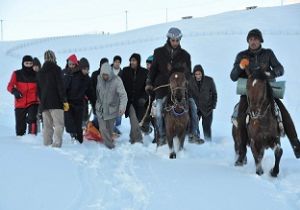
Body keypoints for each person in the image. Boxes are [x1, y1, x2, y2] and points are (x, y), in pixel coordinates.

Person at [230, 28, 300, 160]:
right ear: (248, 41)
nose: (253, 42)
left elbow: (280, 69)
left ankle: (296, 144)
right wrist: (240, 67)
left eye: (255, 39)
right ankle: (242, 151)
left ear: (260, 40)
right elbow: (233, 77)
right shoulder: (242, 56)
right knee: (240, 117)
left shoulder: (268, 54)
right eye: (250, 39)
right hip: (249, 93)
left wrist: (271, 73)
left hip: (267, 92)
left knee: (283, 112)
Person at [145, 27, 192, 145]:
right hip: (162, 87)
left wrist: (184, 79)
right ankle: (161, 136)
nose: (175, 42)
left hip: (179, 88)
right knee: (159, 108)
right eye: (173, 40)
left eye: (177, 40)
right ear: (168, 39)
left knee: (192, 107)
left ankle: (192, 134)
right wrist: (149, 83)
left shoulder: (185, 55)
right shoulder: (158, 52)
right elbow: (153, 70)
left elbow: (188, 73)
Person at [37, 50, 67, 147]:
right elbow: (60, 86)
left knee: (47, 126)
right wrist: (64, 100)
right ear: (54, 57)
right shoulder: (57, 69)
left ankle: (46, 145)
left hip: (44, 103)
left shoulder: (40, 72)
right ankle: (56, 144)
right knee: (59, 124)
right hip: (56, 102)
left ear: (45, 58)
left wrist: (41, 103)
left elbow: (38, 90)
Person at [95, 63, 127, 149]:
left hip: (112, 110)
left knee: (109, 129)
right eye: (103, 75)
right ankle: (110, 146)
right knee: (102, 129)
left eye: (106, 75)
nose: (105, 77)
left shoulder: (117, 80)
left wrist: (122, 107)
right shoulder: (99, 79)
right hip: (100, 109)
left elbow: (123, 95)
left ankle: (109, 142)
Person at [63, 57, 94, 143]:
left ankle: (80, 141)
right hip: (69, 103)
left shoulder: (87, 79)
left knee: (78, 123)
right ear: (80, 68)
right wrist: (64, 101)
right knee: (69, 123)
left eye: (87, 69)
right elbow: (64, 89)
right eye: (84, 69)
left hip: (80, 103)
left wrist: (94, 101)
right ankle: (73, 136)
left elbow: (90, 92)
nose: (86, 71)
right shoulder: (72, 76)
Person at [7, 55, 39, 136]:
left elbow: (41, 87)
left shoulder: (37, 74)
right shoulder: (16, 73)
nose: (28, 65)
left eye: (30, 63)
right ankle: (20, 141)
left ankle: (32, 136)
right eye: (26, 63)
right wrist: (15, 91)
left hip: (33, 101)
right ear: (23, 63)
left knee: (32, 119)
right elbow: (10, 86)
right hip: (20, 102)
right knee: (20, 127)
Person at [121, 53, 148, 143]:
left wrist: (144, 98)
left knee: (137, 120)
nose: (132, 62)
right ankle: (138, 139)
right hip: (128, 101)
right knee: (133, 117)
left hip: (139, 102)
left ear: (138, 61)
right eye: (131, 60)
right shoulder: (125, 71)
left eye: (134, 61)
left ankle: (132, 137)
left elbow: (146, 88)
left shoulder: (144, 72)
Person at [189, 65, 217, 142]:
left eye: (199, 74)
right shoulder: (190, 81)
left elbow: (214, 94)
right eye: (196, 74)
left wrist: (213, 106)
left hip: (207, 108)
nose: (198, 76)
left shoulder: (209, 80)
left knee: (206, 126)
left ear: (202, 73)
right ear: (194, 74)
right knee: (194, 125)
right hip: (195, 109)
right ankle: (196, 140)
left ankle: (208, 143)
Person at [91, 57, 109, 129]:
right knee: (96, 119)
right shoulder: (95, 74)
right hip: (97, 101)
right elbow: (91, 87)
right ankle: (95, 131)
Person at [111, 55, 123, 135]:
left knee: (118, 117)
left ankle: (117, 126)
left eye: (119, 62)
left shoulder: (122, 72)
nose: (117, 63)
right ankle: (112, 130)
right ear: (113, 62)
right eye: (116, 62)